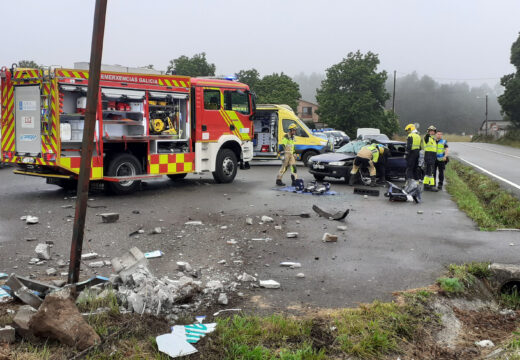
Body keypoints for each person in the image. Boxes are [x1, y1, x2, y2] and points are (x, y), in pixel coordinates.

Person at [422, 125, 438, 192]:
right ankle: (432, 186)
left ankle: (426, 185)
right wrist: (428, 132)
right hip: (429, 155)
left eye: (433, 131)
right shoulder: (427, 137)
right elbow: (426, 137)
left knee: (428, 172)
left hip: (432, 156)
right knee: (431, 172)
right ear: (428, 131)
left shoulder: (433, 139)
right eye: (431, 131)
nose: (432, 132)